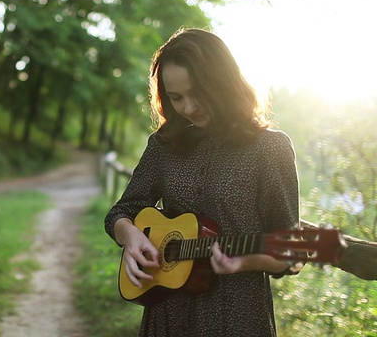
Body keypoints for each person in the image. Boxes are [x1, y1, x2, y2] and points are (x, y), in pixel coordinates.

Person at [104, 27, 302, 336]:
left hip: (238, 317)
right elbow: (121, 212)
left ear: (223, 83)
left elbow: (290, 254)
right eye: (176, 97)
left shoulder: (270, 149)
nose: (189, 108)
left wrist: (243, 263)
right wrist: (129, 236)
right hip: (167, 315)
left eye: (197, 93)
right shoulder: (164, 145)